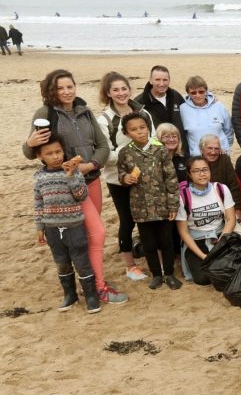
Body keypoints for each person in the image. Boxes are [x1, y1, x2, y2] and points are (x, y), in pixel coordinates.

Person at [23, 69, 127, 304]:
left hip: (91, 181)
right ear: (52, 90)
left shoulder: (85, 111)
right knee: (99, 233)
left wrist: (90, 165)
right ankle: (99, 287)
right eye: (60, 88)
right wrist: (29, 143)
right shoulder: (46, 113)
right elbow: (32, 153)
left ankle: (89, 282)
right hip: (67, 187)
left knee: (90, 236)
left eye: (70, 86)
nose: (66, 91)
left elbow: (102, 145)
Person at [95, 72, 156, 281]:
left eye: (124, 89)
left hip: (145, 175)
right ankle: (130, 266)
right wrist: (129, 148)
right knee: (127, 221)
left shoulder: (143, 112)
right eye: (116, 90)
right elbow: (104, 154)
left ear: (130, 90)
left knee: (147, 218)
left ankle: (151, 257)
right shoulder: (104, 120)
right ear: (108, 93)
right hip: (118, 179)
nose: (121, 93)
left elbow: (153, 140)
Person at [34, 136, 102, 313]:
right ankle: (70, 295)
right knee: (61, 261)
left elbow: (81, 195)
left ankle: (91, 296)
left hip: (74, 225)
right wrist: (39, 227)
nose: (55, 156)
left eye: (58, 151)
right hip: (51, 227)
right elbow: (38, 202)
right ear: (40, 156)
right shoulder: (39, 176)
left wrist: (71, 176)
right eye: (49, 153)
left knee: (81, 259)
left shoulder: (74, 171)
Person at [117, 113, 182, 290]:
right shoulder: (125, 153)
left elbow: (171, 178)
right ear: (126, 132)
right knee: (149, 244)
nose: (139, 132)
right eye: (133, 129)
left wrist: (173, 204)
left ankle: (169, 274)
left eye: (142, 127)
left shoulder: (159, 149)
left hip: (162, 206)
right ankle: (156, 275)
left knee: (166, 241)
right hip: (140, 207)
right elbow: (121, 173)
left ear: (148, 127)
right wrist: (125, 178)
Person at [175, 157, 236, 285]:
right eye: (196, 171)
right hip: (197, 240)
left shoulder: (221, 189)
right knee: (203, 279)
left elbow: (230, 219)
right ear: (189, 174)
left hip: (220, 236)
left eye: (205, 169)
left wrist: (221, 243)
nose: (202, 174)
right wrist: (204, 257)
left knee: (232, 269)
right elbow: (184, 232)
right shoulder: (183, 196)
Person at [180, 76, 233, 157]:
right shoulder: (182, 109)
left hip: (220, 155)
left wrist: (226, 148)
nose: (198, 95)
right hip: (197, 157)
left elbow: (228, 131)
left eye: (201, 91)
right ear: (188, 94)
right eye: (193, 93)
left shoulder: (219, 106)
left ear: (206, 91)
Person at [198, 134, 241, 225]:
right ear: (202, 149)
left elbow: (233, 185)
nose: (213, 152)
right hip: (205, 209)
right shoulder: (196, 163)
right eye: (209, 148)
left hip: (226, 205)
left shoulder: (224, 159)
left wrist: (237, 209)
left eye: (216, 148)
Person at [136, 65, 186, 138]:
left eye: (165, 80)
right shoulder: (139, 102)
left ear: (169, 80)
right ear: (150, 80)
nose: (162, 84)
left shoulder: (176, 96)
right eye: (157, 80)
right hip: (156, 146)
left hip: (177, 144)